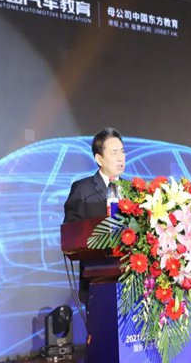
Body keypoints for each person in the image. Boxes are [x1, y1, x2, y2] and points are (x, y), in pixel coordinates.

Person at [63, 127, 126, 304]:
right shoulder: (83, 189)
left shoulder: (134, 190)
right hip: (96, 281)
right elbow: (70, 234)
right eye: (114, 153)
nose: (121, 158)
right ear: (99, 159)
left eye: (122, 151)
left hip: (130, 282)